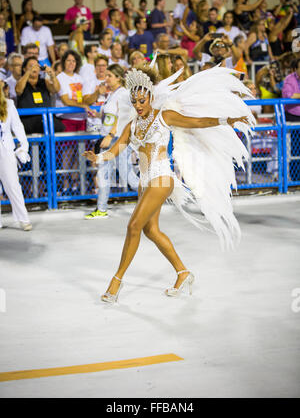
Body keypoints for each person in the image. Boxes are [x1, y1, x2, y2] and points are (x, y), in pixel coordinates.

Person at [83, 64, 253, 303]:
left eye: (142, 100)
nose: (138, 105)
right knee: (150, 230)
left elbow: (198, 122)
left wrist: (227, 119)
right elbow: (116, 149)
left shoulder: (165, 116)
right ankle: (183, 273)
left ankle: (116, 281)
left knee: (133, 227)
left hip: (162, 179)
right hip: (145, 181)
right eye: (135, 102)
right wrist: (97, 157)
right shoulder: (133, 125)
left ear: (151, 96)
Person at [84, 64, 139, 219]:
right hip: (108, 138)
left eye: (109, 75)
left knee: (126, 175)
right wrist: (96, 115)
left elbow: (124, 115)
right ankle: (101, 209)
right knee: (103, 173)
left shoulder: (122, 94)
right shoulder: (111, 94)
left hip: (117, 139)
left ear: (118, 78)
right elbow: (110, 116)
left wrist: (110, 134)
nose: (105, 78)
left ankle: (152, 196)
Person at [55, 49, 96, 194]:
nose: (71, 63)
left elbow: (85, 97)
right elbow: (66, 100)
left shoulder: (80, 77)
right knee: (67, 153)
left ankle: (76, 184)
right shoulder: (61, 77)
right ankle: (66, 185)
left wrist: (88, 101)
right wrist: (83, 105)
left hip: (81, 119)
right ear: (63, 62)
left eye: (73, 61)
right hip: (67, 120)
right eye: (68, 61)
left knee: (79, 154)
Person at [0, 81, 32, 231]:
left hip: (5, 149)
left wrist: (23, 148)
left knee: (13, 185)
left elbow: (18, 127)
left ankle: (23, 219)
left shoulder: (9, 104)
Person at [15, 56, 62, 134]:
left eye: (36, 66)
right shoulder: (21, 82)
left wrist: (52, 75)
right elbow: (18, 90)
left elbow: (56, 89)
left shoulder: (45, 82)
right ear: (24, 69)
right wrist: (28, 73)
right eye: (31, 66)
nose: (34, 68)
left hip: (45, 121)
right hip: (28, 121)